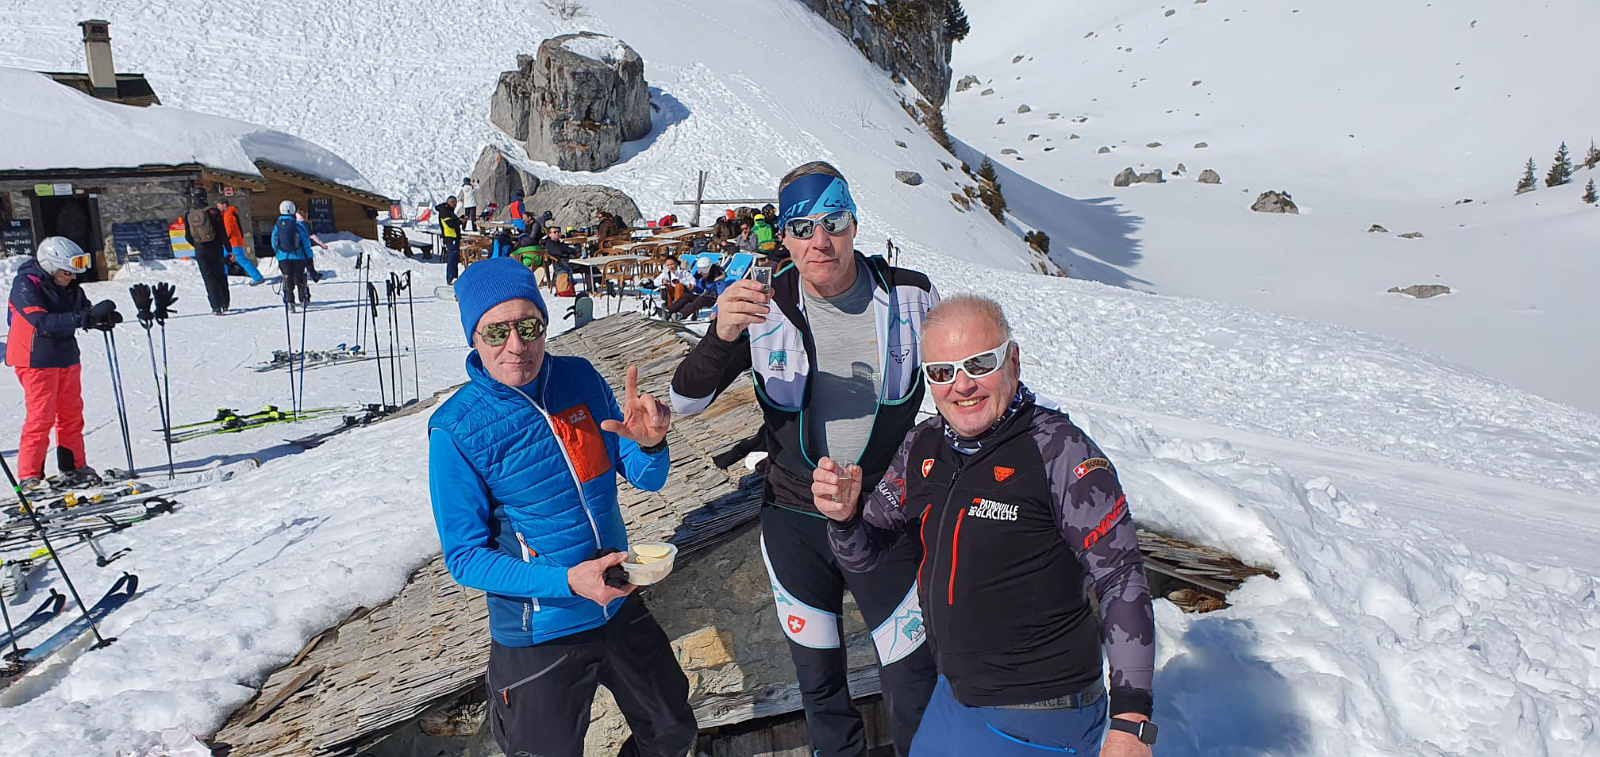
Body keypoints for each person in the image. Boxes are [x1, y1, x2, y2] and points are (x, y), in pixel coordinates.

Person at [670, 161, 939, 757]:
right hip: (795, 516)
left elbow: (959, 387)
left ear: (854, 225)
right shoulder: (764, 307)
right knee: (820, 687)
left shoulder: (911, 296)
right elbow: (686, 400)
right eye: (802, 227)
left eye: (834, 222)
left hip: (884, 514)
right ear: (784, 239)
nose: (821, 241)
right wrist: (720, 334)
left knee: (912, 678)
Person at [812, 296, 1157, 757]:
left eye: (979, 364)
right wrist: (845, 518)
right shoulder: (923, 444)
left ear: (1012, 359)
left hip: (1041, 711)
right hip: (953, 698)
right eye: (941, 371)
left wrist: (1131, 719)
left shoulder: (1059, 451)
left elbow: (1121, 578)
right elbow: (864, 554)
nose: (962, 385)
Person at [427, 257, 696, 757]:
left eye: (529, 327)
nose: (516, 345)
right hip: (540, 631)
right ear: (473, 338)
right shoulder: (456, 430)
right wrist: (568, 581)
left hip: (618, 601)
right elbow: (464, 558)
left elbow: (646, 476)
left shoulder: (579, 379)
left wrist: (651, 443)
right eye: (496, 332)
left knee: (672, 733)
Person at [6, 237, 120, 492]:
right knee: (41, 416)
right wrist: (82, 318)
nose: (72, 277)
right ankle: (30, 475)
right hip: (35, 357)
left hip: (65, 355)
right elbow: (41, 321)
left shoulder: (71, 287)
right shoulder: (26, 284)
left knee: (71, 415)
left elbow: (83, 311)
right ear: (50, 266)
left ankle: (74, 467)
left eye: (75, 272)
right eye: (67, 272)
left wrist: (99, 319)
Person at [184, 193, 230, 315]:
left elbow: (187, 236)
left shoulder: (189, 214)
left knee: (209, 278)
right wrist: (228, 249)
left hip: (201, 250)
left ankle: (216, 306)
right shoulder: (213, 212)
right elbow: (222, 232)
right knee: (220, 275)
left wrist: (197, 245)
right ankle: (224, 303)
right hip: (216, 249)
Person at [271, 200, 316, 312]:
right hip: (298, 257)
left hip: (283, 258)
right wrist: (309, 256)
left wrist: (278, 253)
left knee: (287, 279)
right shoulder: (298, 225)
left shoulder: (277, 226)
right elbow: (306, 242)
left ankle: (290, 302)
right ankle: (303, 299)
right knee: (300, 278)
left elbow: (273, 242)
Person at [216, 197, 263, 286]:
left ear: (224, 205)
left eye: (219, 205)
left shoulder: (228, 214)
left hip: (233, 242)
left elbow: (228, 230)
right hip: (232, 241)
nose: (218, 207)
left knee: (240, 259)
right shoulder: (230, 213)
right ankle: (223, 279)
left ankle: (258, 277)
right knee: (223, 259)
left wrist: (222, 238)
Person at [437, 196, 463, 285]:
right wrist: (460, 221)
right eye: (453, 203)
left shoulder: (449, 211)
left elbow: (453, 221)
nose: (455, 205)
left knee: (455, 259)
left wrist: (460, 219)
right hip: (450, 237)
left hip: (454, 237)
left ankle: (454, 277)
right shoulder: (444, 211)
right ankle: (451, 278)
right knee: (452, 259)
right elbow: (450, 224)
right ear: (450, 202)